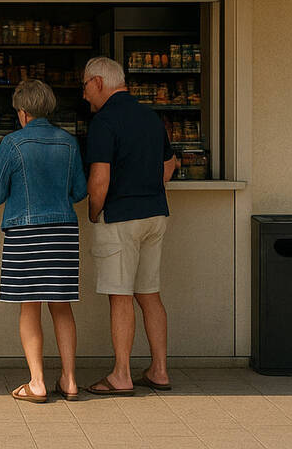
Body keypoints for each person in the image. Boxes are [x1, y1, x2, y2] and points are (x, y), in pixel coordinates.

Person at [80, 56, 179, 396]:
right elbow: (170, 164)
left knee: (120, 296)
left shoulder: (104, 121)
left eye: (85, 86)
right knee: (149, 294)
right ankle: (159, 370)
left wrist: (94, 211)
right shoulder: (151, 117)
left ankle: (121, 375)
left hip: (120, 216)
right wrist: (149, 189)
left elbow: (99, 179)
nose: (84, 94)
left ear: (98, 82)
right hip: (155, 214)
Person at [0, 79, 88, 403]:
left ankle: (38, 382)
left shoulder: (12, 143)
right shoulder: (69, 142)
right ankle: (70, 380)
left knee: (29, 306)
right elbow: (80, 191)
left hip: (26, 234)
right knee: (61, 306)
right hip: (63, 233)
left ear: (23, 112)